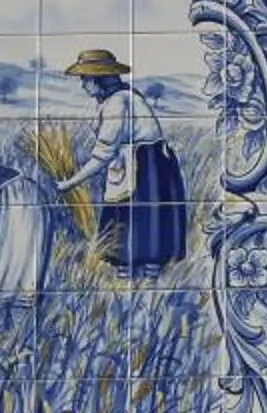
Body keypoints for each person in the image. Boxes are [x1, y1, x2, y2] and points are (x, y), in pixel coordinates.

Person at [51, 48, 189, 272]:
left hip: (143, 172)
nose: (83, 85)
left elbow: (102, 155)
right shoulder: (118, 98)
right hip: (149, 167)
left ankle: (140, 283)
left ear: (99, 80)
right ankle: (140, 283)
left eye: (85, 79)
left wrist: (69, 183)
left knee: (137, 236)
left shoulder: (118, 103)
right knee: (143, 238)